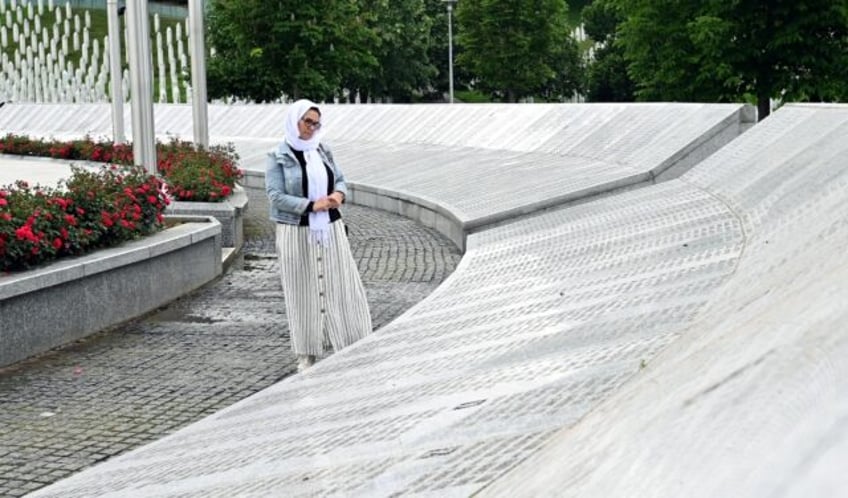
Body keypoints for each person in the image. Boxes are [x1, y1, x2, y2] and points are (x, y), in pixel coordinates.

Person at [265, 99, 373, 372]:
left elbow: (339, 178)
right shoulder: (278, 156)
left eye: (316, 123)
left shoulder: (322, 150)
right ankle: (307, 353)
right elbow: (275, 196)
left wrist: (339, 194)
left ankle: (350, 343)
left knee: (342, 284)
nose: (312, 128)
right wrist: (311, 206)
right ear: (295, 121)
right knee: (301, 291)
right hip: (296, 230)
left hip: (331, 229)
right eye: (307, 122)